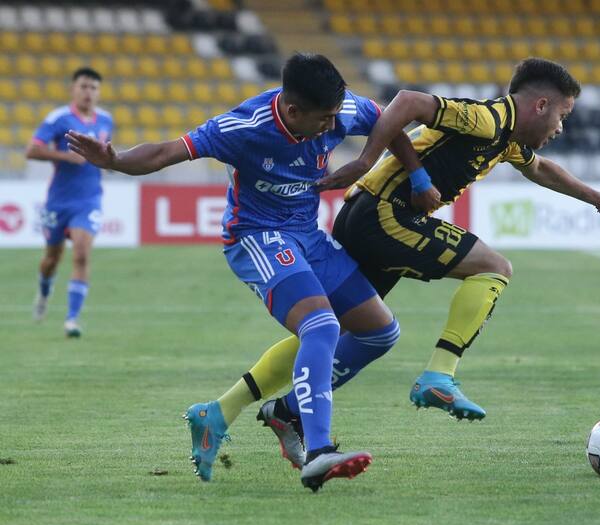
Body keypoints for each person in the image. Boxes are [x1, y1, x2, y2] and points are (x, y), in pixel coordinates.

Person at [244, 58, 600, 460]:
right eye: (562, 115)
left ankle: (243, 409)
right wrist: (373, 163)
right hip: (384, 214)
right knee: (495, 267)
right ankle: (439, 375)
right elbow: (407, 101)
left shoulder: (507, 139)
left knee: (332, 328)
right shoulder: (486, 120)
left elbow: (541, 169)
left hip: (364, 213)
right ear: (540, 105)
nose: (560, 127)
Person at [66, 53, 413, 491]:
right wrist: (115, 160)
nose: (333, 127)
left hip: (307, 234)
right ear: (292, 111)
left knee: (380, 332)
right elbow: (166, 152)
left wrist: (410, 175)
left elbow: (389, 122)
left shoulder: (338, 109)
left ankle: (282, 412)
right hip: (257, 236)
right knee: (321, 325)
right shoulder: (244, 127)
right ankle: (319, 450)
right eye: (324, 120)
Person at [27, 67, 114, 337]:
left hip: (89, 199)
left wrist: (111, 162)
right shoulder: (58, 118)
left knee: (81, 253)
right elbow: (32, 150)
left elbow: (105, 153)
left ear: (99, 92)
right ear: (73, 89)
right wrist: (66, 157)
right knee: (51, 259)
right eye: (83, 86)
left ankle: (72, 319)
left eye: (93, 88)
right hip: (58, 201)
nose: (88, 92)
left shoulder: (106, 120)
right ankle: (44, 290)